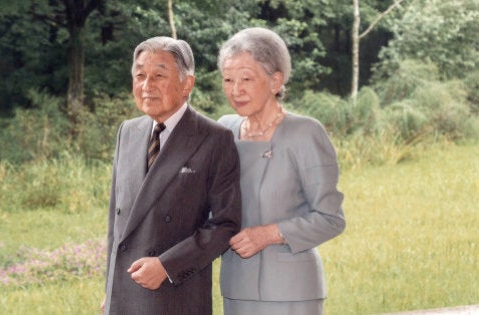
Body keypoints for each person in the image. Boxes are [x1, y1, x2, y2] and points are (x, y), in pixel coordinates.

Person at [101, 36, 242, 315]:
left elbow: (226, 224)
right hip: (124, 294)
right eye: (140, 75)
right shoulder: (127, 132)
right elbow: (115, 226)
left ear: (187, 83)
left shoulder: (214, 139)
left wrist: (167, 266)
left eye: (158, 76)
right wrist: (110, 288)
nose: (146, 86)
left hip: (175, 295)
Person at [216, 27, 346, 314]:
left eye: (246, 79)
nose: (235, 90)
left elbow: (331, 219)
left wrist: (270, 234)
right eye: (228, 79)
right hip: (236, 289)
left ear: (275, 80)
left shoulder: (305, 133)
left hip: (292, 292)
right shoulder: (224, 129)